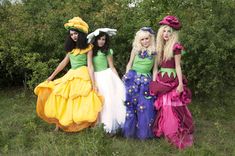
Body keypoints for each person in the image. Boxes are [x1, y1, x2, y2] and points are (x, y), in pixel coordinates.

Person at [34, 17, 103, 132]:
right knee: (61, 96)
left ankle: (85, 123)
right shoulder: (71, 49)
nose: (74, 36)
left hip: (82, 73)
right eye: (71, 35)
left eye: (76, 33)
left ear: (80, 34)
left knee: (81, 98)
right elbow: (63, 63)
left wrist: (93, 82)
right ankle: (60, 124)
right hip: (71, 74)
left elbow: (90, 65)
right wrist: (51, 77)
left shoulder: (88, 47)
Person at [149, 15, 194, 149]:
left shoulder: (176, 47)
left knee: (171, 107)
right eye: (164, 30)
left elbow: (178, 66)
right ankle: (164, 130)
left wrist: (180, 84)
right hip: (161, 80)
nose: (166, 33)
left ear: (173, 33)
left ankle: (173, 131)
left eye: (169, 31)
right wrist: (154, 83)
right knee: (163, 107)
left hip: (172, 80)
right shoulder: (158, 47)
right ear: (161, 32)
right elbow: (155, 67)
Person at [87, 28, 126, 134]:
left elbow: (112, 67)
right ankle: (96, 123)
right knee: (97, 100)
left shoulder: (107, 51)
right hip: (95, 76)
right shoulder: (91, 50)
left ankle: (107, 125)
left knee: (107, 100)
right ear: (95, 40)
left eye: (103, 39)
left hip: (106, 76)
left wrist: (118, 79)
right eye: (99, 39)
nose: (101, 41)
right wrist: (93, 81)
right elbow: (90, 66)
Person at [122, 27, 157, 139]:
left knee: (144, 106)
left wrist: (155, 82)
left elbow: (155, 69)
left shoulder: (154, 52)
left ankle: (143, 133)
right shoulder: (135, 50)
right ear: (139, 40)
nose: (145, 41)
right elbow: (129, 64)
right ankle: (129, 131)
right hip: (133, 78)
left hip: (146, 80)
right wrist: (127, 75)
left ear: (150, 39)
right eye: (142, 39)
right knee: (130, 104)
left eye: (147, 39)